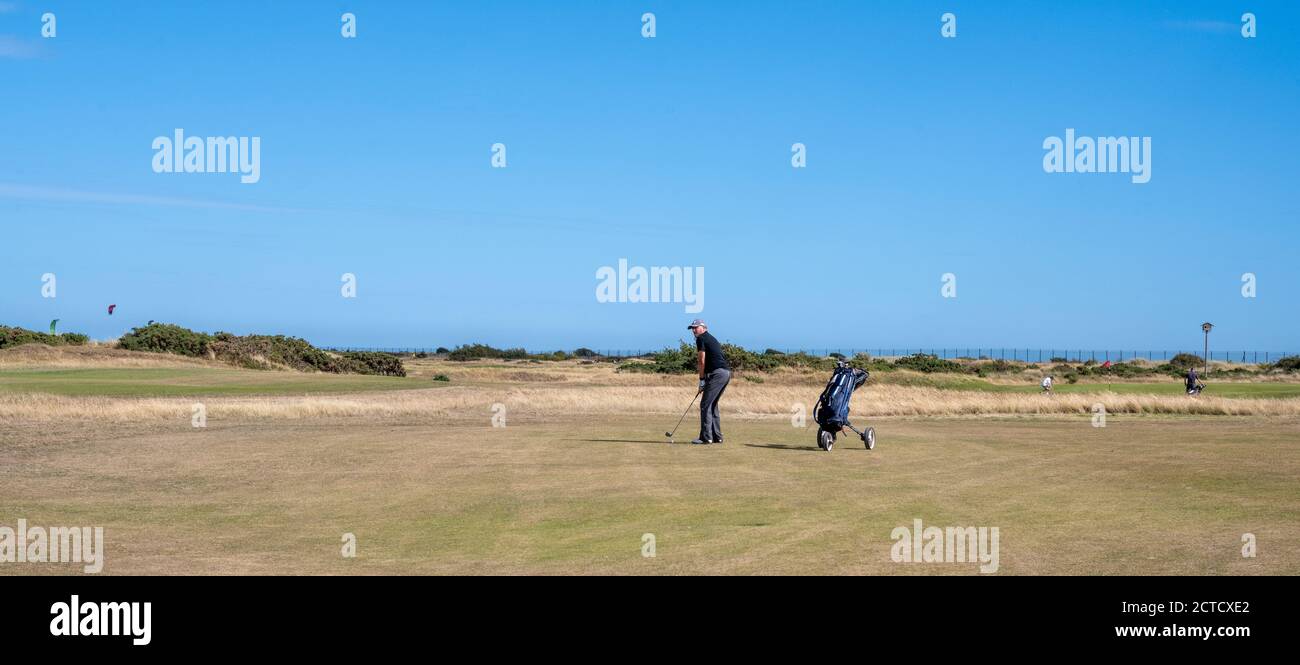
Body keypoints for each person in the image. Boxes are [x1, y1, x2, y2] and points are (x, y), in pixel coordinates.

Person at [687, 319, 730, 444]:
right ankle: (717, 437)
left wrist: (701, 380)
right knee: (712, 404)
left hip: (717, 374)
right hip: (724, 373)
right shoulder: (710, 338)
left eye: (696, 327)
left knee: (705, 405)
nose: (694, 330)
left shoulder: (701, 338)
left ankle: (706, 437)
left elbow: (701, 360)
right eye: (692, 328)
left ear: (703, 327)